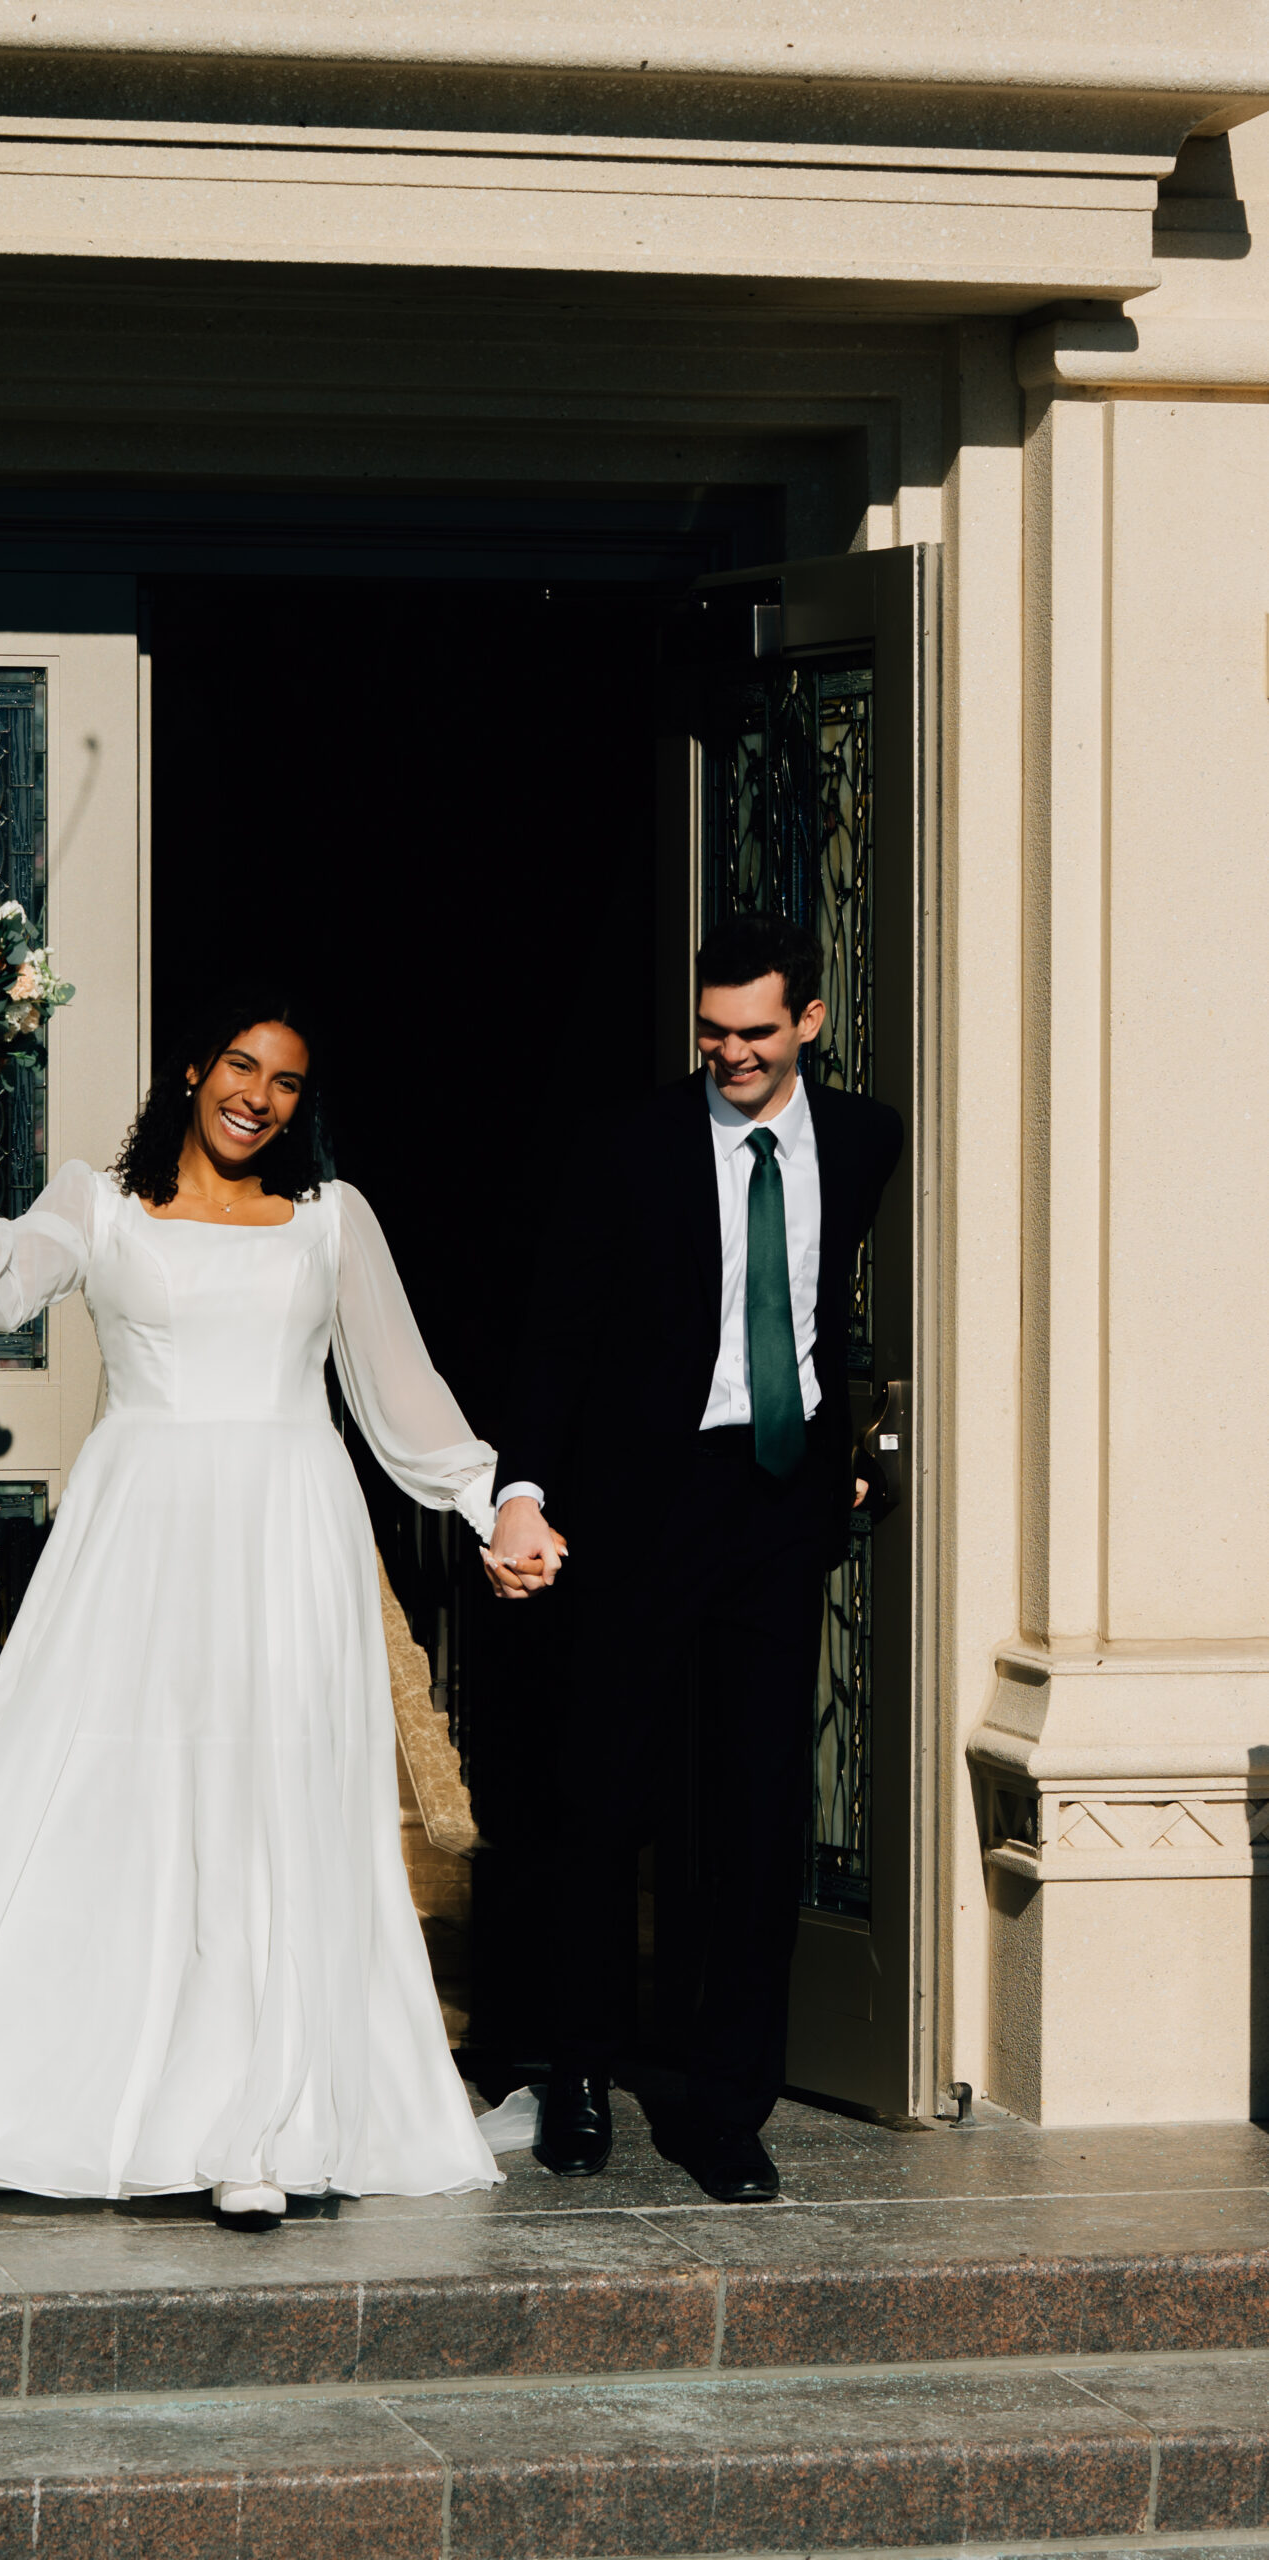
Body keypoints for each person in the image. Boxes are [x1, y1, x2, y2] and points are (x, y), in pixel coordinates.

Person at [0, 996, 503, 2218]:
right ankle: (84, 2093)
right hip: (142, 1536)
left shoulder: (328, 1223)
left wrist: (488, 1502)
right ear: (194, 1071)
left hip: (285, 1532)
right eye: (242, 1067)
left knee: (275, 1806)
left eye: (289, 1081)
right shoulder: (95, 1205)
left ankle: (259, 2128)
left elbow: (400, 1393)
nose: (259, 1095)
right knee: (120, 1795)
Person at [482, 912, 902, 2202]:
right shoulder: (630, 1147)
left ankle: (727, 2108)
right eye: (710, 1033)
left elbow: (833, 1307)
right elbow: (557, 1334)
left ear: (808, 1025)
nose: (728, 1053)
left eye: (754, 1033)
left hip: (774, 1506)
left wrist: (852, 1443)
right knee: (604, 1799)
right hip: (638, 1506)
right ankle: (583, 2074)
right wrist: (523, 1489)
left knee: (756, 1807)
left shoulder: (866, 1137)